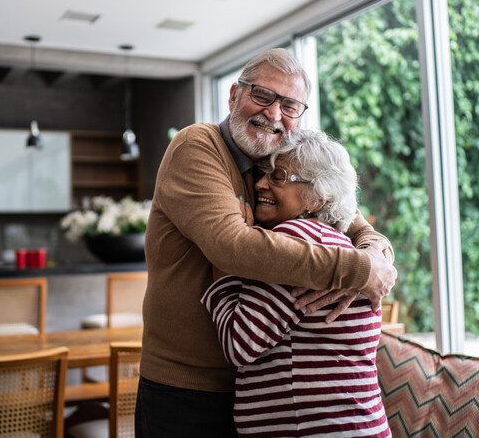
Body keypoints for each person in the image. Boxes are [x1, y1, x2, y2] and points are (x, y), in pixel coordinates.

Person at [136, 48, 396, 437]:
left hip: (255, 389)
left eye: (290, 105)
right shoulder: (198, 145)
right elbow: (233, 246)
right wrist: (355, 270)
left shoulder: (281, 163)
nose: (274, 114)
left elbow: (350, 218)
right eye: (263, 96)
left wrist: (376, 254)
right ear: (234, 97)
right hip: (186, 389)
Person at [202, 129, 390, 437]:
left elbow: (239, 344)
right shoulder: (338, 243)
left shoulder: (297, 237)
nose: (260, 184)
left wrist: (224, 261)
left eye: (277, 177)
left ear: (317, 196)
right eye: (262, 174)